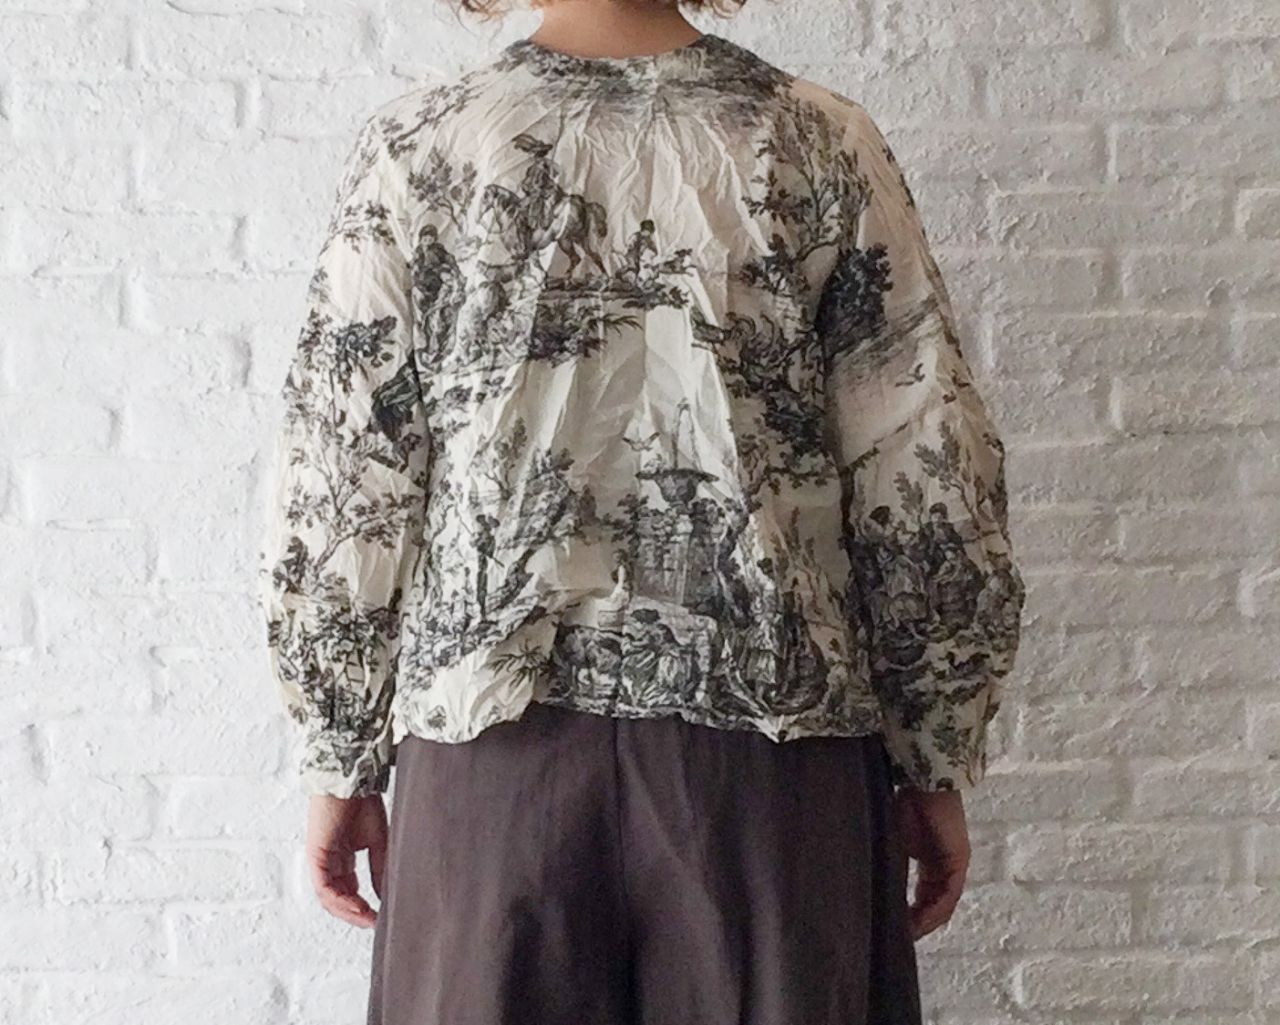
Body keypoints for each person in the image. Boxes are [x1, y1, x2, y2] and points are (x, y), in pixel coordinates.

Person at [254, 1, 1028, 1022]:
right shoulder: (817, 140)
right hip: (765, 768)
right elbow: (921, 468)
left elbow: (346, 470)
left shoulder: (420, 146)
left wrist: (338, 755)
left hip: (492, 764)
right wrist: (934, 750)